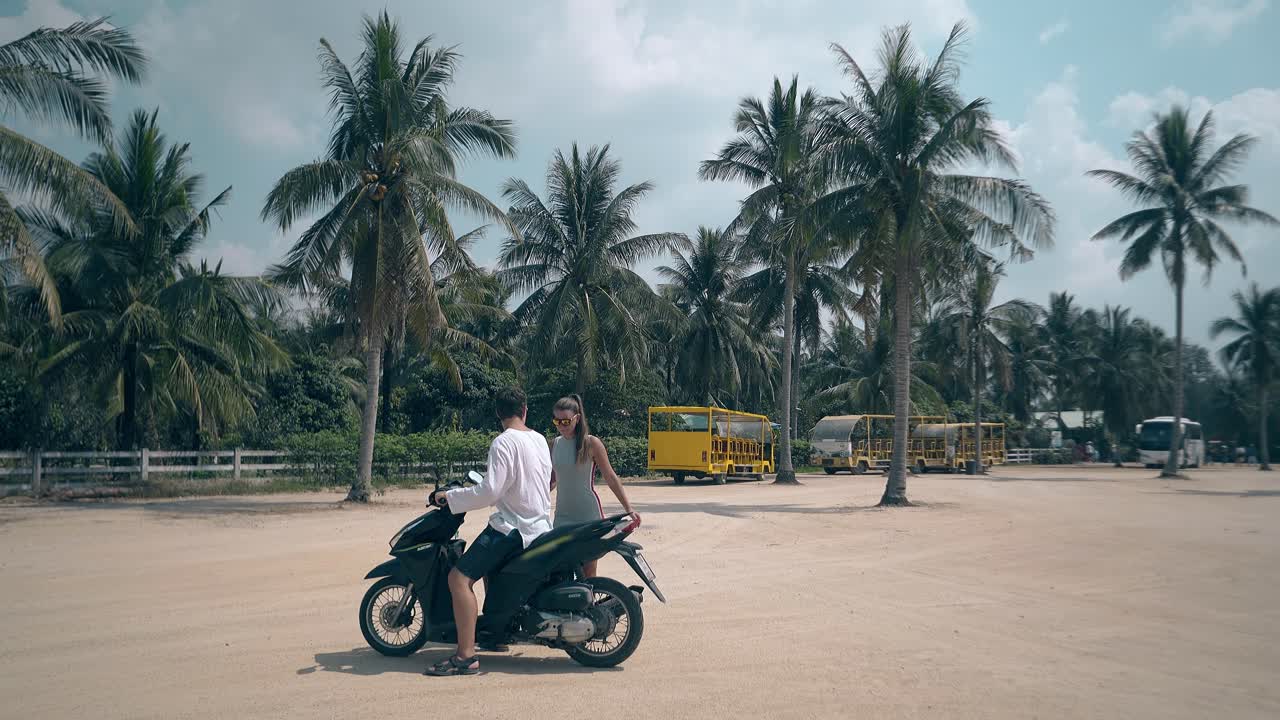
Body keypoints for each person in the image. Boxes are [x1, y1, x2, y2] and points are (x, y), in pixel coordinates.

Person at [423, 386, 552, 677]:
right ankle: (495, 633)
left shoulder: (503, 443)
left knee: (458, 579)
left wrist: (449, 497)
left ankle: (465, 656)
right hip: (539, 526)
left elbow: (490, 491)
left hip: (512, 528)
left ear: (498, 413)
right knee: (491, 572)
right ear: (525, 410)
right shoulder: (540, 439)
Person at [550, 394, 638, 577]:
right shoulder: (554, 445)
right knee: (560, 569)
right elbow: (550, 482)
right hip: (562, 517)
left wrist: (628, 509)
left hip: (588, 515)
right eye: (556, 421)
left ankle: (591, 604)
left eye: (565, 421)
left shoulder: (591, 443)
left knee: (589, 571)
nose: (561, 426)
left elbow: (610, 477)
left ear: (577, 418)